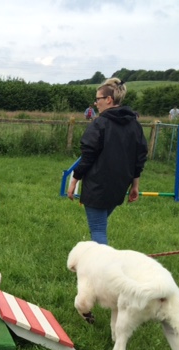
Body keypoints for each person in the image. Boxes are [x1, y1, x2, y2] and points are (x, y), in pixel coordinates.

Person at [67, 78, 148, 245]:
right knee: (99, 226)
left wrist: (74, 180)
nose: (96, 103)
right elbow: (139, 158)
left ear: (108, 99)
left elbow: (88, 156)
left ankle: (102, 261)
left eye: (98, 99)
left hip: (98, 185)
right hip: (119, 186)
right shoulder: (135, 125)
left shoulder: (100, 123)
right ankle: (95, 257)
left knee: (98, 230)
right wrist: (135, 185)